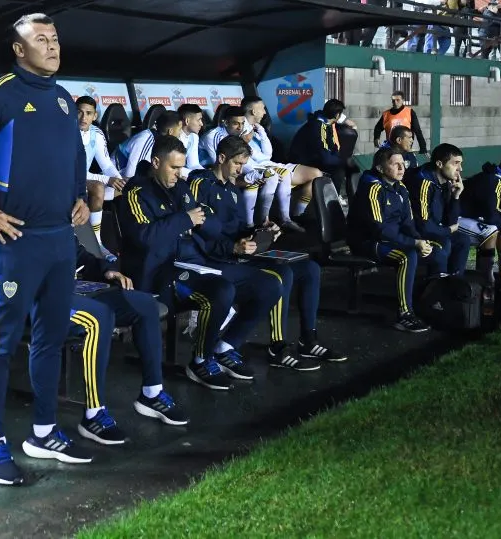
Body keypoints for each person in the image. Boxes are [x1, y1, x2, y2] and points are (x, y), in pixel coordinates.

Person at [0, 13, 92, 486]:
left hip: (59, 243)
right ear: (18, 50)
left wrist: (80, 196)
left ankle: (44, 432)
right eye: (40, 40)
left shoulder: (65, 99)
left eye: (55, 39)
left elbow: (76, 156)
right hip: (15, 242)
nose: (51, 46)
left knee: (50, 339)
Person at [119, 135, 281, 387]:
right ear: (155, 162)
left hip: (192, 262)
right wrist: (184, 221)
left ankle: (225, 347)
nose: (178, 174)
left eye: (181, 168)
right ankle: (200, 361)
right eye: (173, 168)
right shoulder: (136, 191)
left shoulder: (180, 188)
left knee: (269, 285)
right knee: (220, 290)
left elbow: (205, 225)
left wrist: (246, 237)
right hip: (155, 273)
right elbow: (145, 237)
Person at [189, 135, 346, 372]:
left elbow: (237, 228)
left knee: (310, 269)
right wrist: (233, 247)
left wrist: (260, 230)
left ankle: (308, 339)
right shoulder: (200, 184)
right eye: (237, 164)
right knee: (281, 274)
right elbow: (199, 232)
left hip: (240, 251)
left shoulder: (231, 189)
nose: (241, 170)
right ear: (221, 158)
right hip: (216, 258)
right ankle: (278, 346)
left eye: (243, 164)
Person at [71, 237, 189, 445]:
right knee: (101, 317)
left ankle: (152, 393)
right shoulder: (19, 219)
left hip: (77, 290)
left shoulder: (59, 218)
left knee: (145, 305)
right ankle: (93, 414)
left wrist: (107, 270)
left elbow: (79, 254)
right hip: (44, 298)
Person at [347, 147, 434, 333]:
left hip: (389, 239)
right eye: (396, 164)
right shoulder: (372, 188)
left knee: (435, 248)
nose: (402, 168)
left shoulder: (400, 188)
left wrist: (421, 241)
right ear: (380, 167)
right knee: (407, 256)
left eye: (404, 164)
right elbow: (379, 229)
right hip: (368, 241)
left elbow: (408, 223)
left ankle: (431, 302)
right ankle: (404, 315)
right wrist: (412, 244)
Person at [237, 97, 319, 229]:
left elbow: (267, 154)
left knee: (316, 174)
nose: (264, 112)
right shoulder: (241, 129)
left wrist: (262, 133)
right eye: (262, 108)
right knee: (275, 175)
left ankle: (294, 217)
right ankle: (265, 221)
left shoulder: (257, 129)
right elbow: (247, 158)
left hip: (268, 163)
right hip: (257, 168)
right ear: (253, 111)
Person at [404, 144, 471, 276]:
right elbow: (423, 226)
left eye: (460, 163)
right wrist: (448, 230)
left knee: (462, 240)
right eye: (455, 163)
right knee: (444, 242)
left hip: (432, 229)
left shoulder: (445, 182)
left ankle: (456, 283)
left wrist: (455, 197)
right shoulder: (423, 182)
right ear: (439, 164)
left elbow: (449, 220)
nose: (460, 169)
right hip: (412, 232)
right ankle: (437, 289)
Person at [459, 157, 501, 285]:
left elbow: (498, 216)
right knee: (492, 230)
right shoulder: (493, 182)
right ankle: (487, 280)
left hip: (469, 218)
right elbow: (491, 218)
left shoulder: (493, 179)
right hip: (455, 219)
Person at [75, 96, 125, 254]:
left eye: (88, 113)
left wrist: (118, 181)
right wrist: (106, 179)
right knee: (98, 188)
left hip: (82, 180)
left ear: (95, 116)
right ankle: (95, 243)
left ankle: (122, 244)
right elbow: (74, 171)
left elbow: (107, 164)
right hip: (65, 180)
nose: (84, 117)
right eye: (80, 112)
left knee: (125, 188)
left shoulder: (96, 134)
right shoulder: (65, 132)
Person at [289, 98, 348, 199]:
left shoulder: (325, 124)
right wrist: (343, 162)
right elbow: (324, 155)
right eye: (340, 114)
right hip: (303, 161)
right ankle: (331, 201)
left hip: (314, 158)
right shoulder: (318, 126)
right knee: (339, 171)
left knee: (344, 166)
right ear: (337, 115)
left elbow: (331, 148)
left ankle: (334, 198)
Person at [119, 110, 182, 179]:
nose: (180, 133)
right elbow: (131, 175)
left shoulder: (162, 142)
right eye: (179, 130)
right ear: (170, 131)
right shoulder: (144, 140)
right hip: (117, 180)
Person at [175, 104, 204, 179]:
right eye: (199, 120)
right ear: (187, 121)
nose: (201, 124)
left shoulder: (194, 137)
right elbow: (174, 168)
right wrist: (196, 176)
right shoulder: (174, 137)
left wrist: (207, 174)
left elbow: (193, 164)